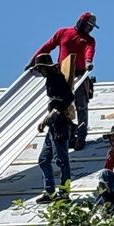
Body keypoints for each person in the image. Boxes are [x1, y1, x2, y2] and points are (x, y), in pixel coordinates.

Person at [31, 11, 98, 149]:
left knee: (81, 106)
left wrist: (88, 62)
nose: (90, 29)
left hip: (79, 76)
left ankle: (81, 137)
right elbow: (47, 46)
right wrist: (32, 61)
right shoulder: (63, 32)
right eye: (89, 26)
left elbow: (89, 51)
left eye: (92, 27)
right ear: (82, 23)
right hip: (63, 74)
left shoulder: (89, 40)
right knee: (60, 105)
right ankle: (68, 134)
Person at [29, 54, 75, 203]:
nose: (40, 71)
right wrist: (46, 120)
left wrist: (56, 112)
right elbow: (54, 103)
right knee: (43, 160)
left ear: (46, 67)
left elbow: (69, 97)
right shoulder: (50, 79)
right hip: (53, 127)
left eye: (40, 68)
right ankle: (50, 192)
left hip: (61, 126)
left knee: (62, 161)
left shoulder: (57, 78)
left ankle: (64, 193)